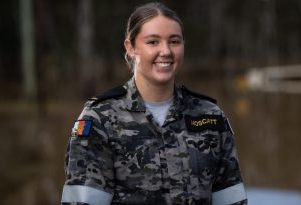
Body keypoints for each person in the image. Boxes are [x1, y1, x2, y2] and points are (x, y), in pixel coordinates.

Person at [61, 2, 247, 205]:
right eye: (153, 42)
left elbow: (232, 199)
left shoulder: (210, 116)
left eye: (174, 41)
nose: (166, 51)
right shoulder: (99, 120)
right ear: (131, 48)